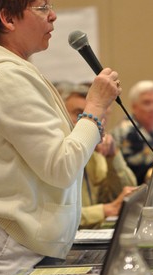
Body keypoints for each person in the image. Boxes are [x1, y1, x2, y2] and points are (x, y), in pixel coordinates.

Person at [0, 0, 121, 275]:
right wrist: (96, 106)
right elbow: (60, 167)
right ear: (8, 19)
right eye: (42, 7)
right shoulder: (5, 78)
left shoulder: (7, 71)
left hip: (15, 243)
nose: (53, 16)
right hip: (8, 249)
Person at [56, 82, 137, 228]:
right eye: (78, 114)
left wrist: (113, 155)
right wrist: (105, 210)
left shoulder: (95, 150)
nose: (86, 122)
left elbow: (128, 197)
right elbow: (56, 219)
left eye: (92, 116)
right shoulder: (54, 157)